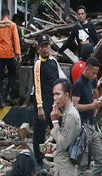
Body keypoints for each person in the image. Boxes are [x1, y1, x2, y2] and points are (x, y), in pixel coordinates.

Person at [32, 34, 66, 173]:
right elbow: (37, 85)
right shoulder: (38, 64)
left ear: (50, 47)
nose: (45, 49)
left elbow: (60, 80)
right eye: (42, 47)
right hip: (42, 100)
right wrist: (40, 106)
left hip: (54, 100)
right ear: (38, 49)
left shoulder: (53, 62)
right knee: (40, 133)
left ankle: (61, 157)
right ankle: (39, 161)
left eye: (46, 46)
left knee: (59, 129)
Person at [72, 57, 102, 175]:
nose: (94, 76)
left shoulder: (91, 82)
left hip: (91, 125)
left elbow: (92, 97)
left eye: (96, 73)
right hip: (82, 127)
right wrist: (92, 106)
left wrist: (96, 106)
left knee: (101, 159)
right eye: (93, 73)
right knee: (82, 163)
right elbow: (74, 106)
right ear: (87, 69)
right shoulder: (79, 84)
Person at [0, 8, 21, 107]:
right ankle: (9, 94)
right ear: (9, 15)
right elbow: (16, 39)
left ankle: (1, 100)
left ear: (2, 15)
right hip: (9, 54)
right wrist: (18, 53)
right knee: (12, 73)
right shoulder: (12, 25)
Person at [50, 78, 81, 176]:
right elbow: (67, 140)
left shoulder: (70, 115)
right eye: (53, 94)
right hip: (62, 166)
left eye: (58, 94)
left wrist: (55, 121)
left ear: (66, 95)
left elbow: (63, 143)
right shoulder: (66, 113)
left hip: (66, 169)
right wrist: (55, 146)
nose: (55, 98)